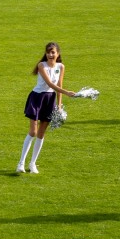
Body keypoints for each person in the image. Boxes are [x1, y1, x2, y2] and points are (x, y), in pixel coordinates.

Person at [16, 42, 76, 174]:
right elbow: (50, 83)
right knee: (33, 131)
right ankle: (20, 163)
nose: (50, 54)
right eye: (48, 52)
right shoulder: (41, 66)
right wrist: (67, 92)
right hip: (37, 98)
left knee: (41, 133)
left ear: (58, 54)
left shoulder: (61, 67)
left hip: (50, 100)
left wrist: (59, 106)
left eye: (53, 52)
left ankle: (32, 164)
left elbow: (59, 85)